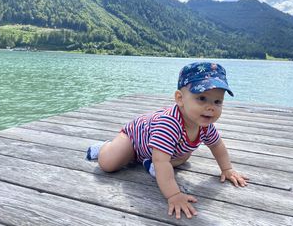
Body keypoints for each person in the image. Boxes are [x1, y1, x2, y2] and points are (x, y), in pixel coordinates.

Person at [86, 62, 248, 219]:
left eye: (217, 101)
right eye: (202, 98)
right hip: (134, 139)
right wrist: (174, 194)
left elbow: (217, 145)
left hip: (158, 151)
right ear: (180, 98)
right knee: (108, 164)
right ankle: (104, 147)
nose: (210, 107)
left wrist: (227, 169)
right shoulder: (169, 124)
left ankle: (151, 162)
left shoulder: (204, 125)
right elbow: (163, 162)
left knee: (184, 157)